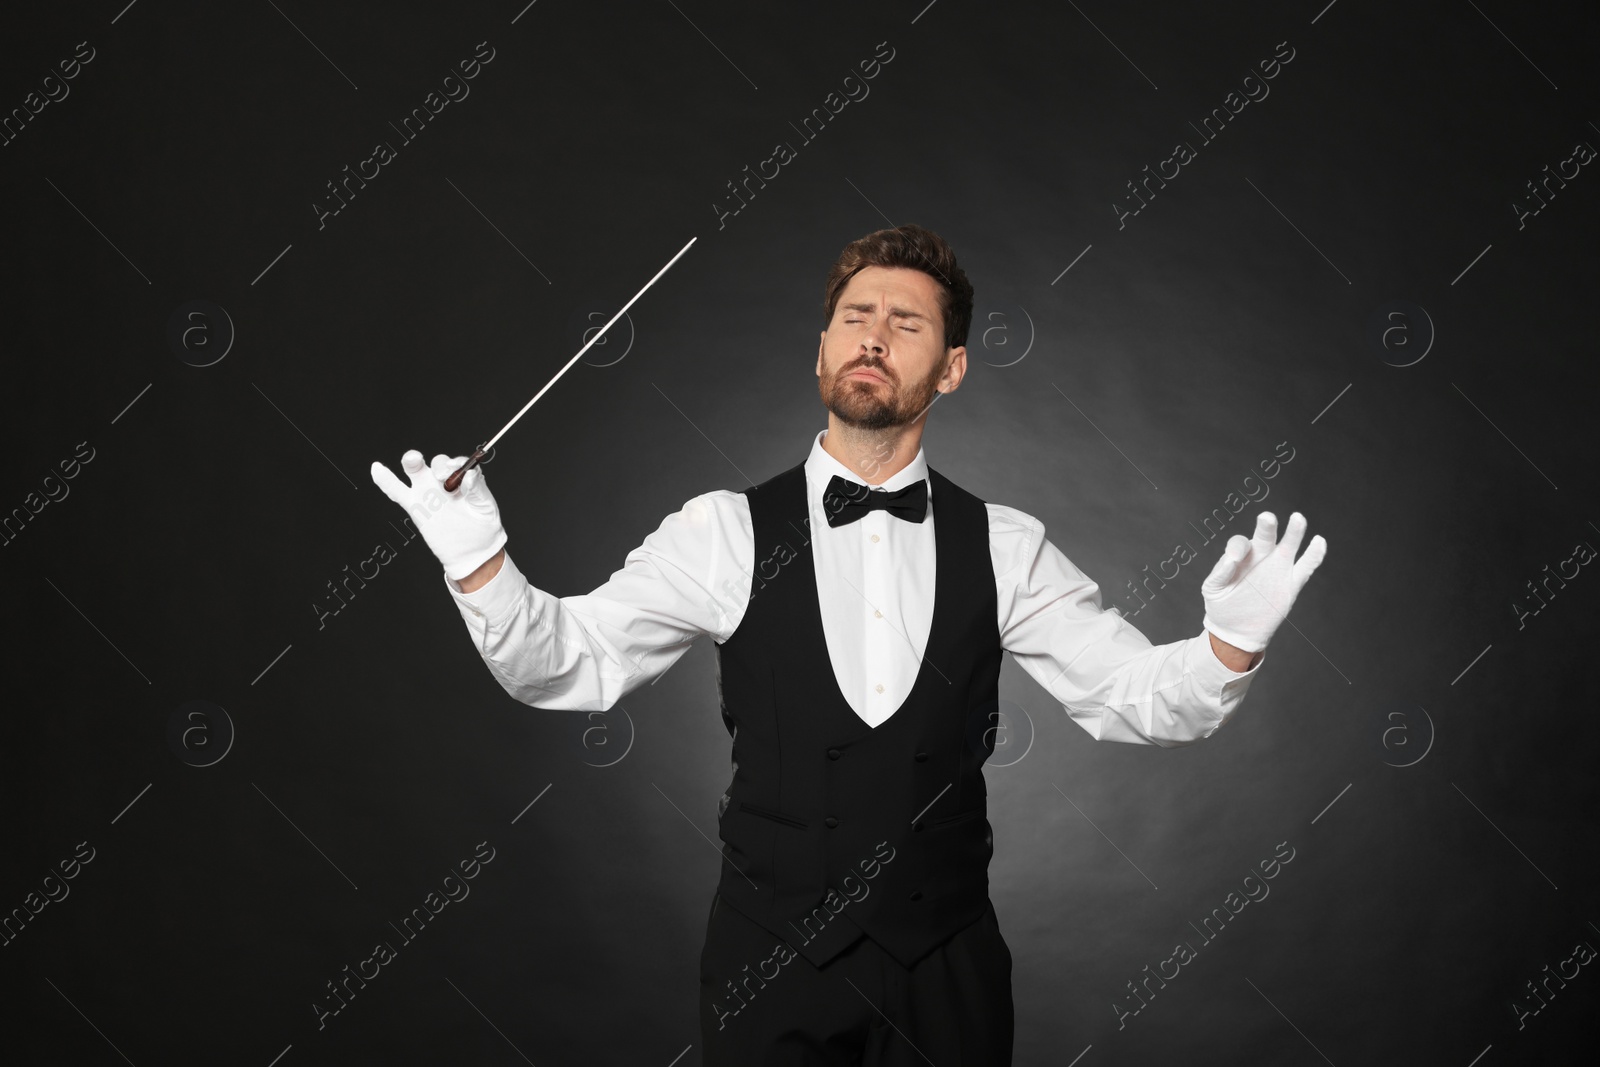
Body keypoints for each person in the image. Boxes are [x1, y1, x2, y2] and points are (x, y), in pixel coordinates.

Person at [370, 223, 1327, 1065]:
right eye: (855, 315)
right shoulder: (721, 532)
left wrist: (1226, 644)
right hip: (767, 963)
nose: (873, 333)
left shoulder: (1007, 544)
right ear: (821, 348)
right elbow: (567, 664)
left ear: (950, 367)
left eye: (906, 322)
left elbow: (1132, 695)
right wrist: (479, 561)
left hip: (946, 962)